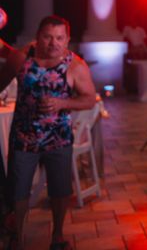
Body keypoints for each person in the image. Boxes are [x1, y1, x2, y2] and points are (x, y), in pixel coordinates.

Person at [0, 15, 97, 250]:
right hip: (23, 137)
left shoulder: (75, 65)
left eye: (59, 38)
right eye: (47, 37)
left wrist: (62, 104)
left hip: (58, 138)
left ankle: (58, 235)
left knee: (60, 189)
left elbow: (89, 99)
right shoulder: (21, 58)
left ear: (67, 40)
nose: (53, 43)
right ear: (37, 37)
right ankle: (18, 237)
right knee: (18, 190)